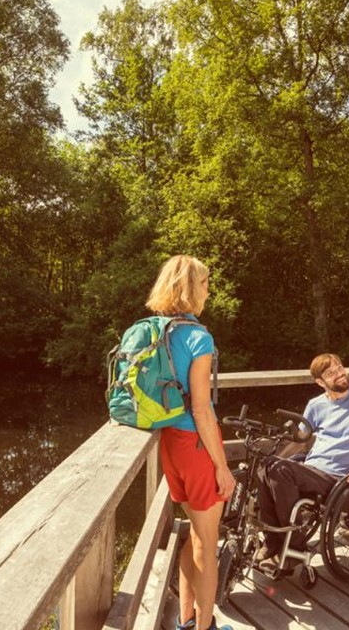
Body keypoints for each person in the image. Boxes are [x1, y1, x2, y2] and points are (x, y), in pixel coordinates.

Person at [147, 255, 236, 630]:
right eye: (205, 283)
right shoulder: (199, 337)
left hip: (170, 441)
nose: (208, 291)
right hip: (197, 444)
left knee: (194, 534)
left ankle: (186, 620)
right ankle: (204, 626)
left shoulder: (156, 330)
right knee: (207, 542)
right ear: (189, 288)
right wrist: (222, 467)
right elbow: (201, 409)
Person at [255, 353, 349, 568]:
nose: (340, 374)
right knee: (266, 466)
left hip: (338, 478)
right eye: (331, 373)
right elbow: (299, 443)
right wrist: (271, 460)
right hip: (310, 470)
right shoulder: (315, 405)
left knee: (278, 469)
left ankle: (294, 547)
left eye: (340, 367)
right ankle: (272, 541)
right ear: (320, 382)